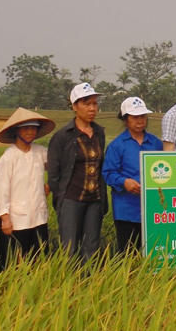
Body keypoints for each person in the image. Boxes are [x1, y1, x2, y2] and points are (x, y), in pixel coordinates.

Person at [48, 82, 107, 262]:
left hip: (94, 200)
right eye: (86, 104)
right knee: (70, 249)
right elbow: (54, 174)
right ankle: (68, 286)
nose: (92, 109)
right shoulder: (63, 136)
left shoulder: (99, 133)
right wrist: (61, 202)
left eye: (95, 104)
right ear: (74, 106)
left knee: (91, 249)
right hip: (71, 200)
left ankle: (89, 285)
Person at [0, 108, 55, 270]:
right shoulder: (9, 157)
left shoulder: (40, 151)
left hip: (38, 217)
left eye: (33, 128)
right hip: (16, 220)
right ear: (16, 131)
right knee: (12, 263)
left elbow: (57, 166)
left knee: (37, 261)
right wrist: (5, 217)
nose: (30, 132)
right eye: (26, 128)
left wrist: (50, 185)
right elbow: (1, 188)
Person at [102, 97, 163, 253]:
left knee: (152, 252)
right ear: (125, 119)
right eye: (135, 117)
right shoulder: (117, 145)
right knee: (128, 254)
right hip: (127, 209)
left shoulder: (156, 143)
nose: (140, 120)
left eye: (143, 116)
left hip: (152, 209)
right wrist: (124, 182)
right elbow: (108, 173)